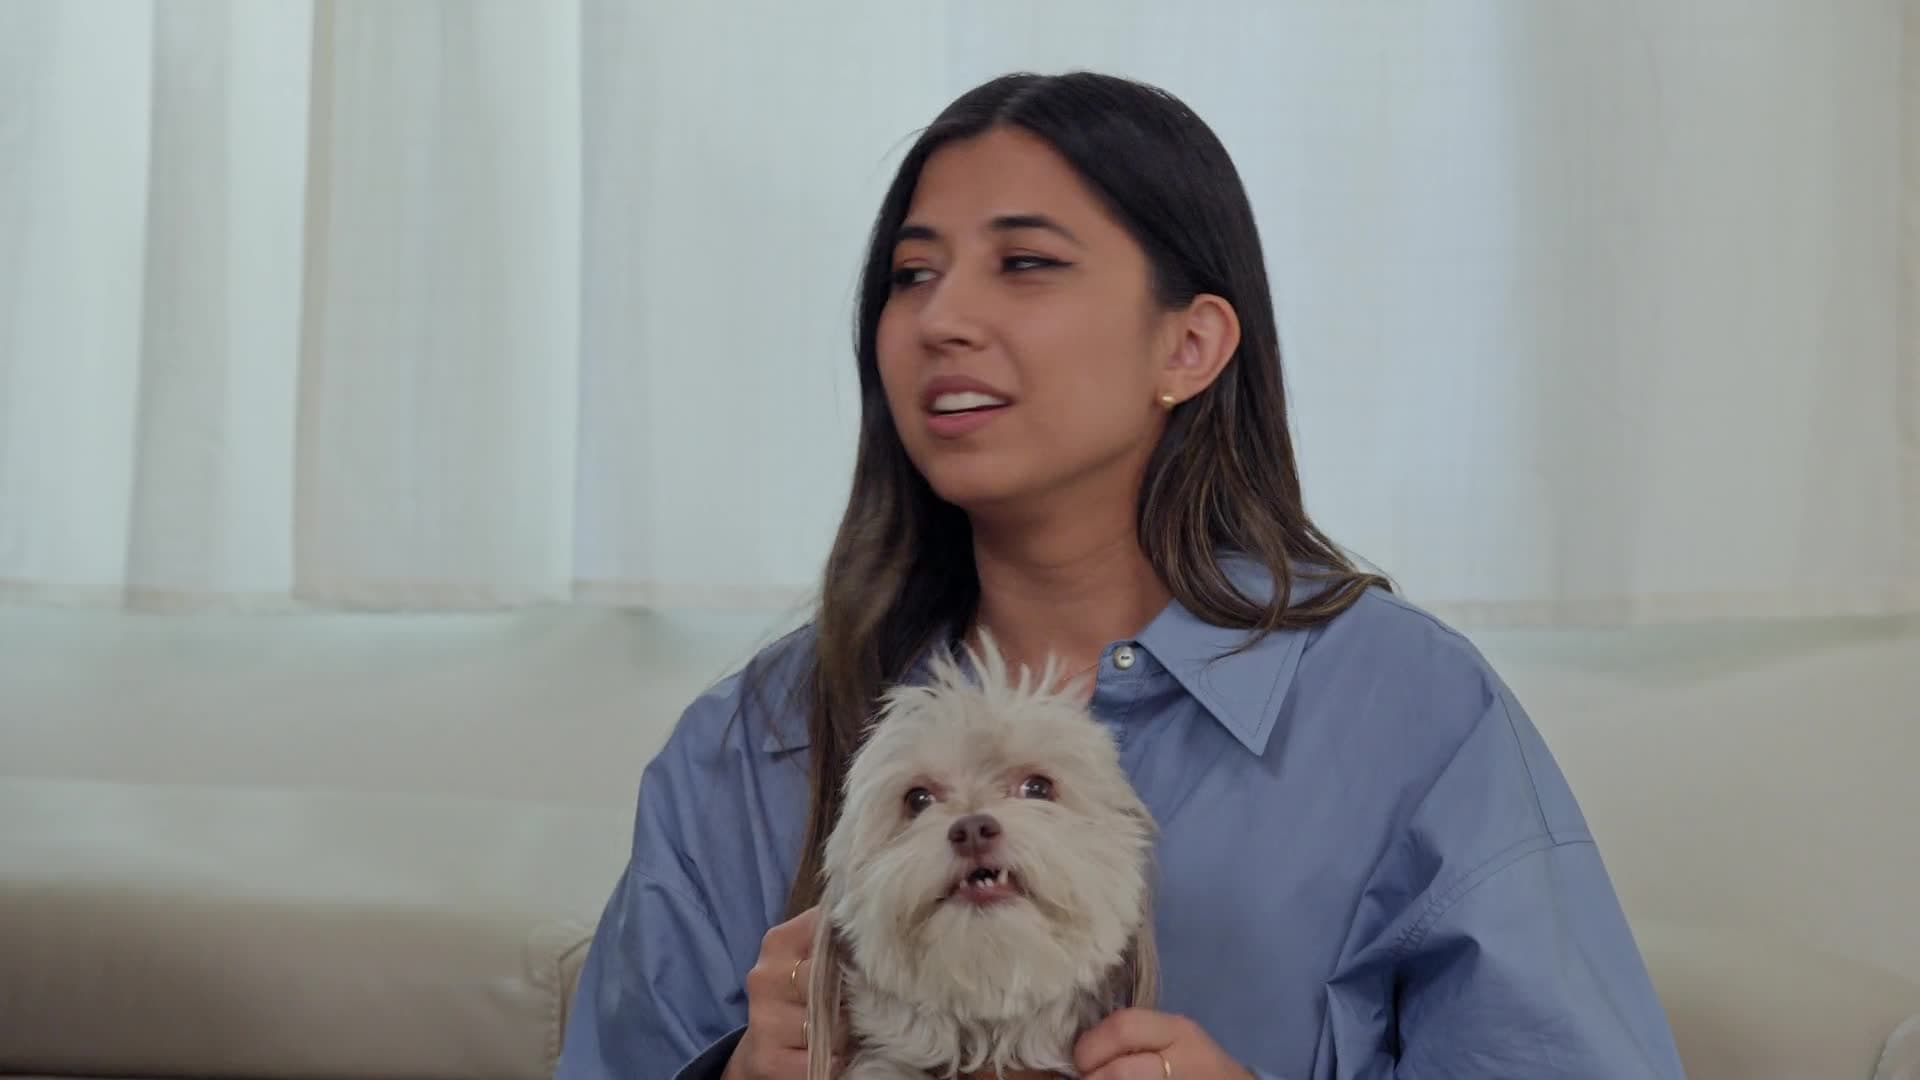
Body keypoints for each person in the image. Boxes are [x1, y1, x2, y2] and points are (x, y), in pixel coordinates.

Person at [555, 71, 1686, 1080]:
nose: (942, 319)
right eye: (912, 274)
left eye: (1025, 264)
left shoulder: (1408, 711)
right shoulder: (751, 746)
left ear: (1188, 345)